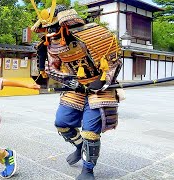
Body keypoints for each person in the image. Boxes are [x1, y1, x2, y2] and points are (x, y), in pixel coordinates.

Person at [30, 3, 123, 180]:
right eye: (48, 27)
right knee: (62, 122)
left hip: (99, 87)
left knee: (90, 131)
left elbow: (115, 61)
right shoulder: (51, 43)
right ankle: (80, 147)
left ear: (66, 22)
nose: (50, 31)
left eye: (53, 26)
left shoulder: (96, 33)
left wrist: (102, 81)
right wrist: (71, 81)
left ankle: (88, 169)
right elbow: (51, 68)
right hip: (75, 86)